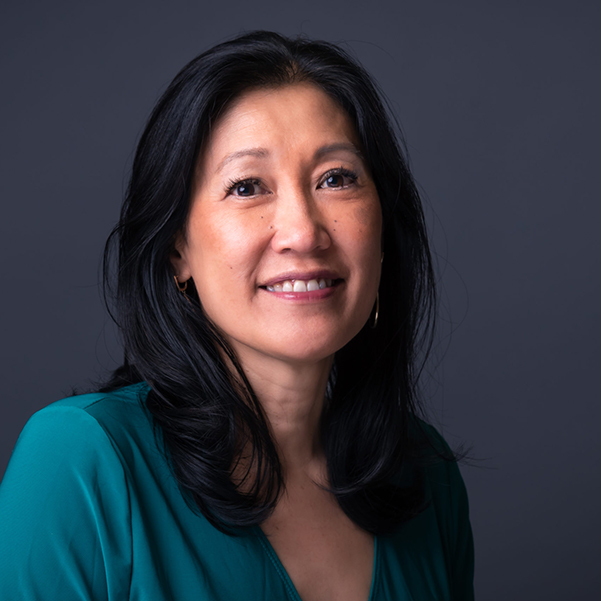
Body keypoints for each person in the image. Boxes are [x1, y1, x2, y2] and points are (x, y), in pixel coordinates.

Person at [0, 31, 474, 600]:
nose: (303, 232)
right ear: (179, 250)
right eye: (247, 187)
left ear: (382, 230)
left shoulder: (425, 475)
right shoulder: (83, 462)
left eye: (336, 178)